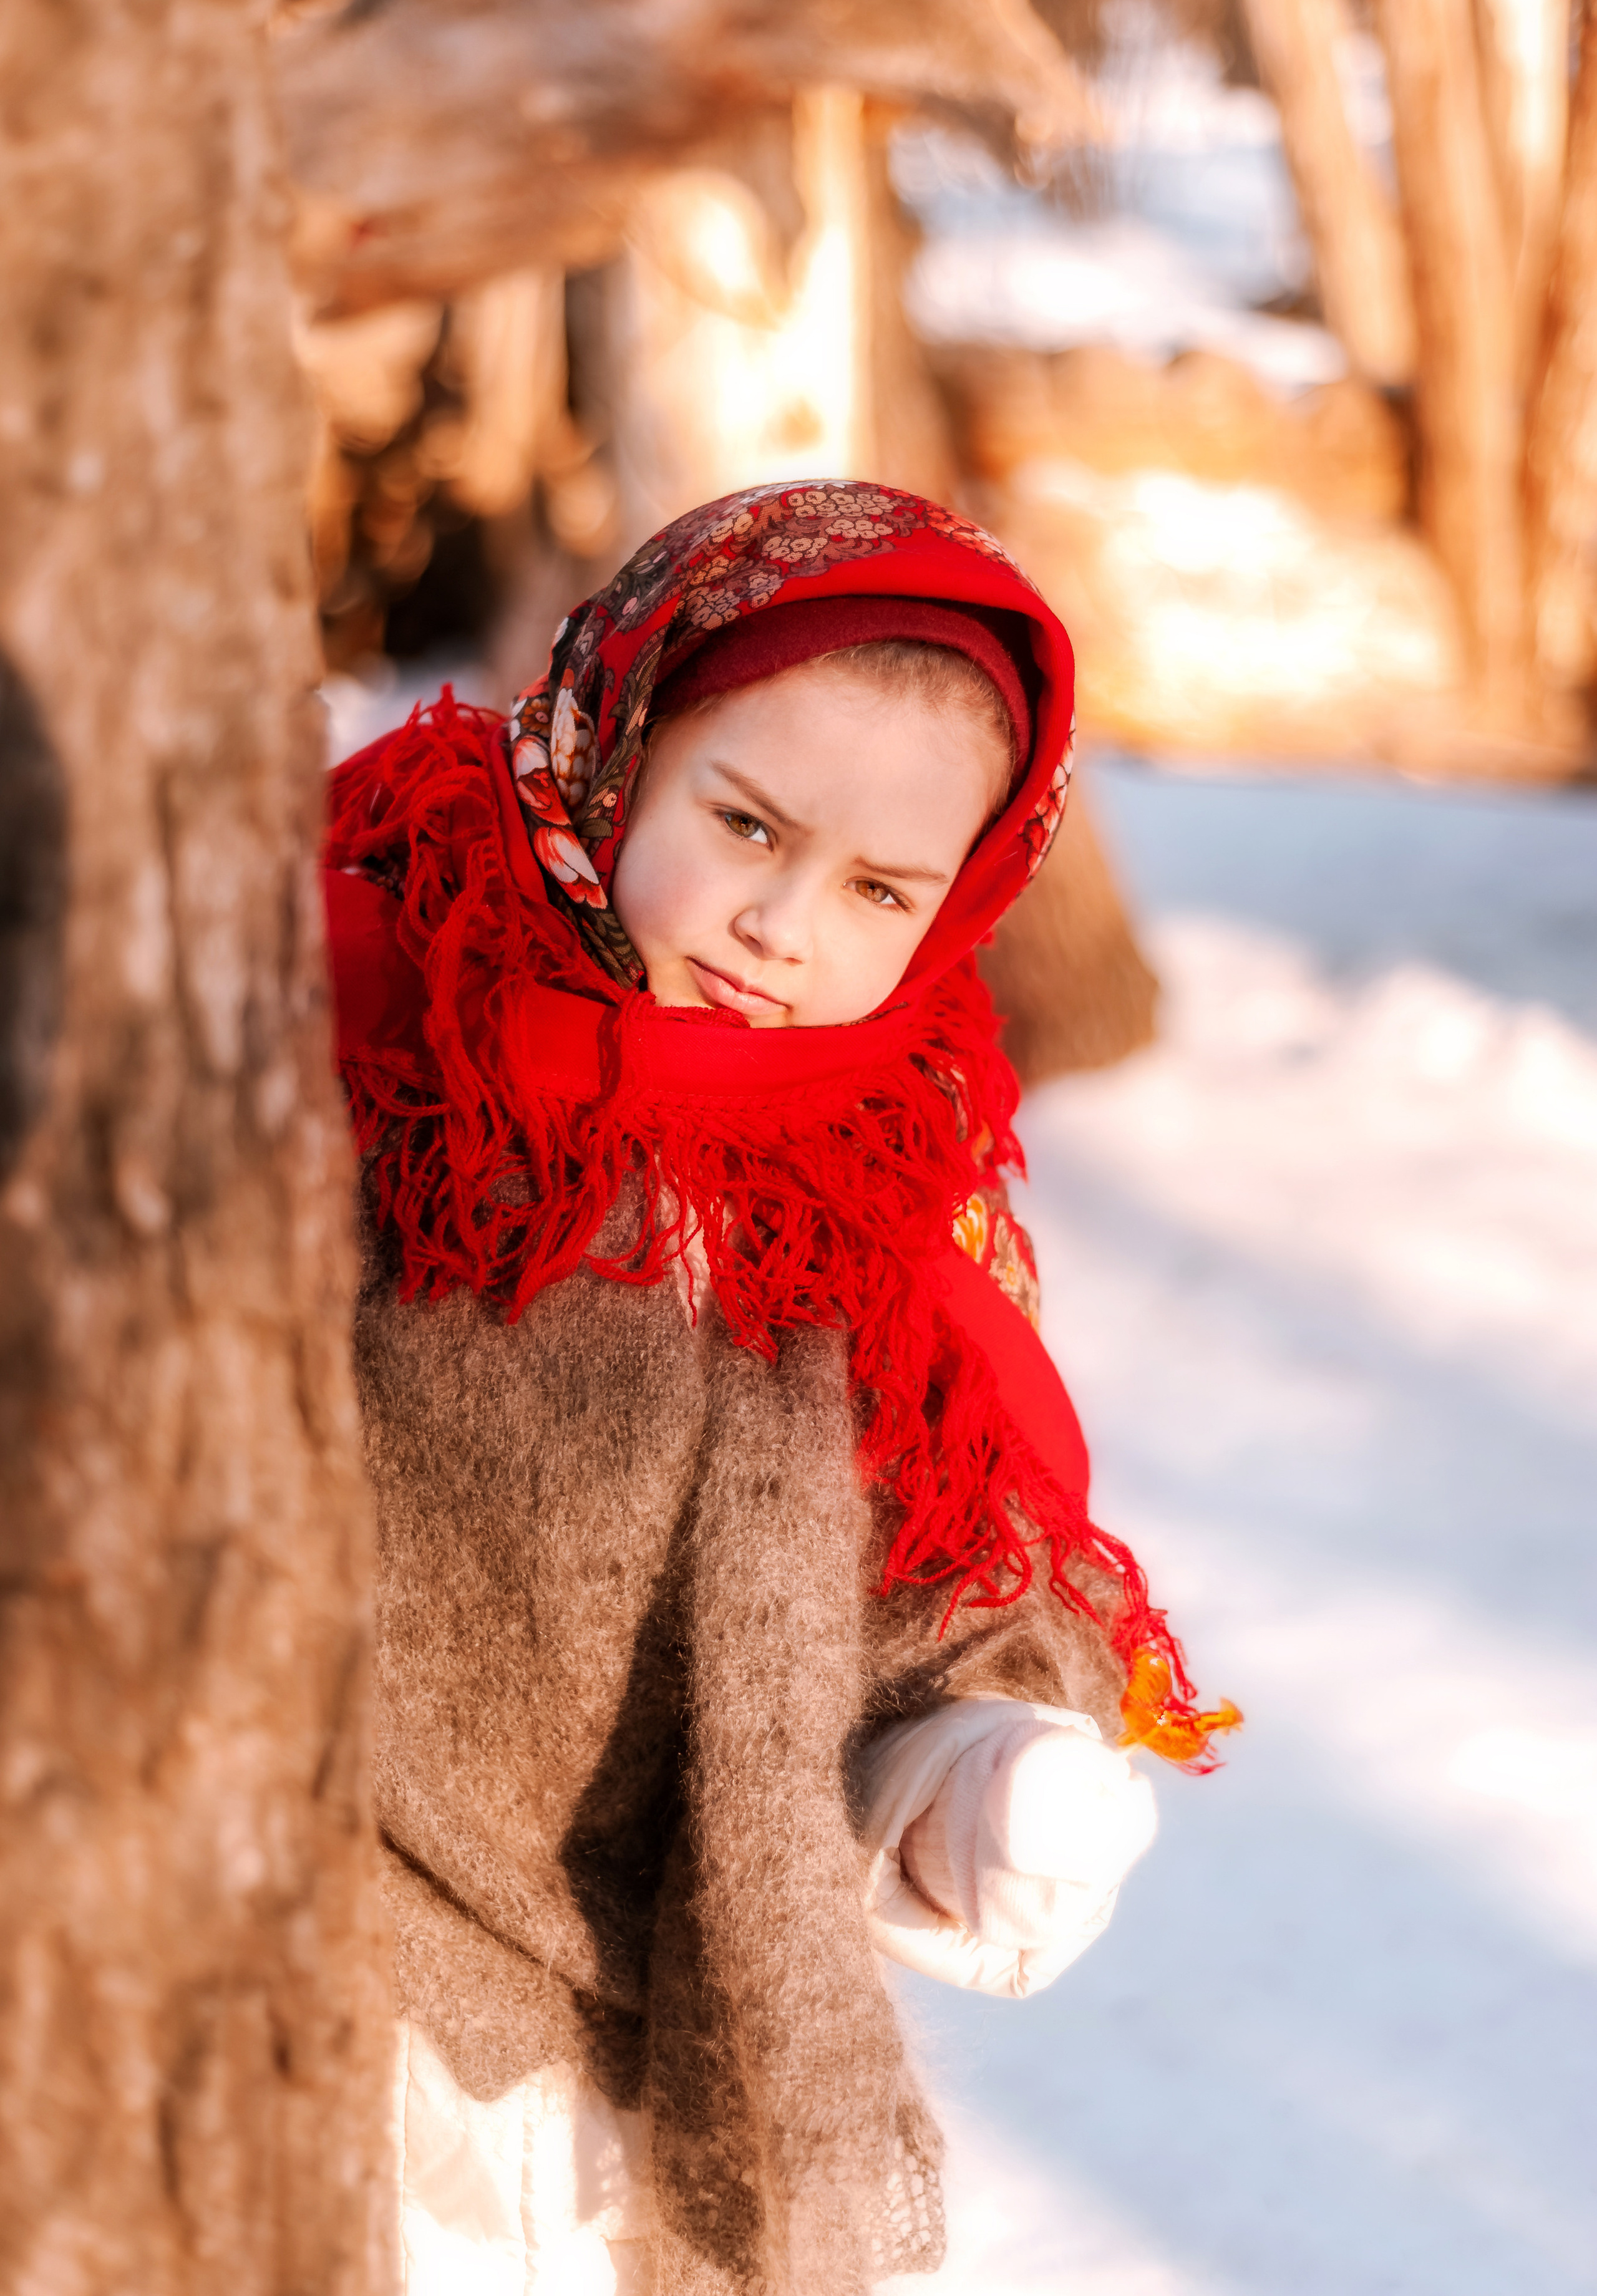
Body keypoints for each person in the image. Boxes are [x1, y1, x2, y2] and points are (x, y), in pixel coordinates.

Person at [324, 480, 1237, 2296]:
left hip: (628, 2109)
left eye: (880, 887)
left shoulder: (883, 1199)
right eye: (745, 825)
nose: (781, 927)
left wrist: (981, 1782)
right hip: (301, 2008)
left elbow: (929, 1611)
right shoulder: (360, 1032)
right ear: (618, 745)